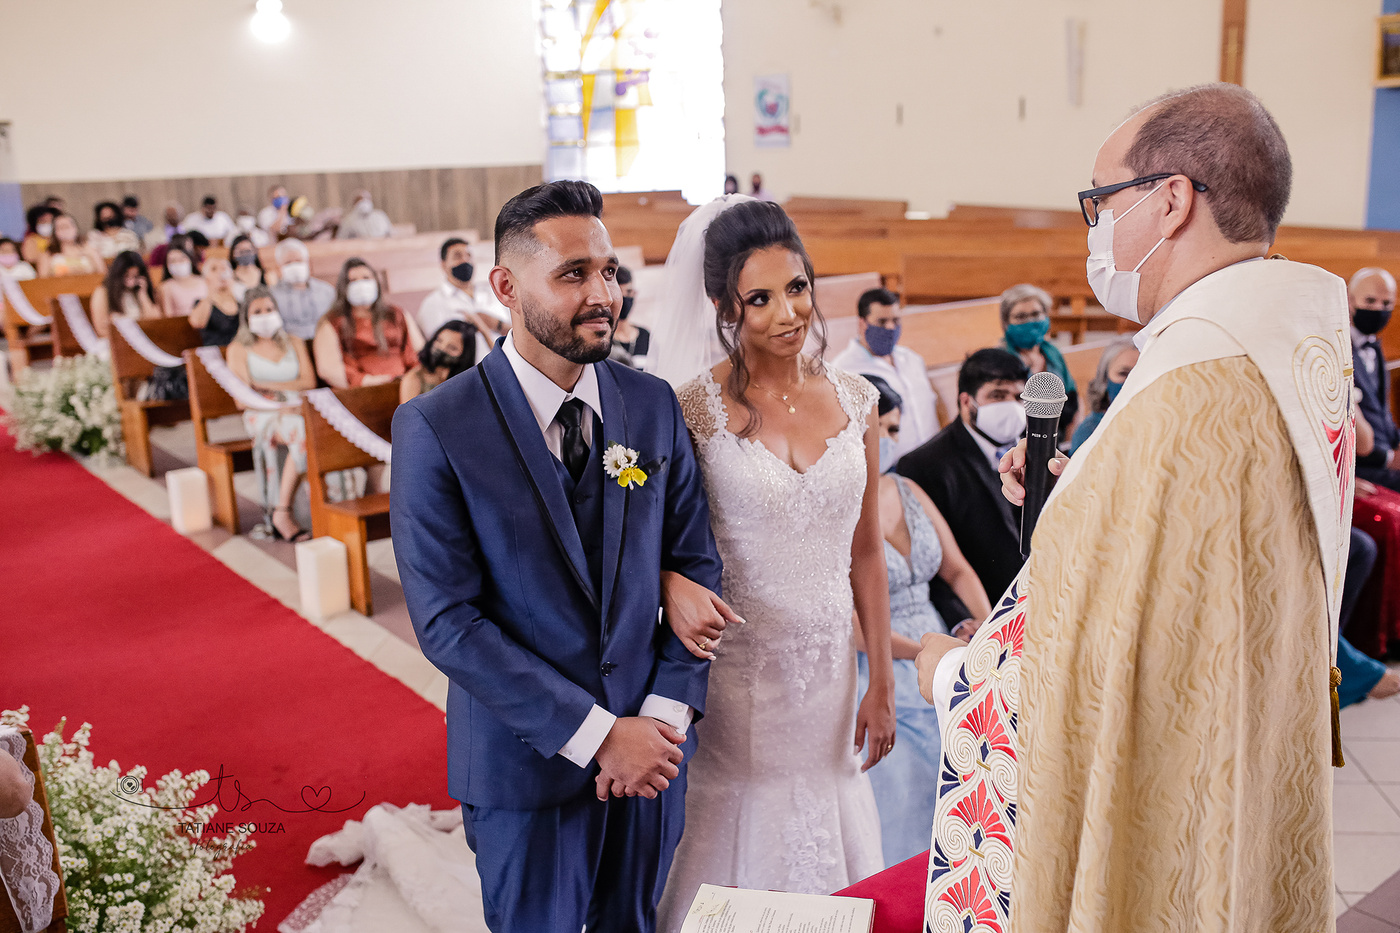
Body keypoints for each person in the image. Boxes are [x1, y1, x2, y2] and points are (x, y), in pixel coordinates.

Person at [919, 83, 1351, 933]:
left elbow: (1075, 670)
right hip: (1244, 748)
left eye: (1102, 201)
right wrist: (1085, 490)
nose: (1096, 230)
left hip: (1170, 810)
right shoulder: (1287, 341)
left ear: (1172, 200)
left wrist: (949, 671)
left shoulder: (1183, 392)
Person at [391, 179, 723, 932]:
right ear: (506, 287)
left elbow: (696, 564)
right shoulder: (437, 427)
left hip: (653, 757)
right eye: (574, 275)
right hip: (525, 768)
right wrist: (602, 737)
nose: (603, 295)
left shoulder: (650, 404)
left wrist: (660, 721)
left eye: (609, 272)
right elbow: (447, 621)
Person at [657, 197, 895, 927]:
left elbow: (866, 552)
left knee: (832, 804)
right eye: (759, 299)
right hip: (741, 670)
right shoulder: (692, 409)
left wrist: (882, 681)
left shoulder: (857, 400)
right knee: (742, 808)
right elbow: (659, 544)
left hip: (831, 669)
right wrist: (669, 585)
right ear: (723, 307)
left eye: (797, 287)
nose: (788, 313)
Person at [856, 374, 991, 867]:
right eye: (879, 431)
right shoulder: (838, 506)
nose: (889, 441)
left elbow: (956, 569)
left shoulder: (907, 487)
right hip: (879, 658)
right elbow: (850, 624)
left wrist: (987, 629)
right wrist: (929, 651)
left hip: (942, 650)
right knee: (912, 800)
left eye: (894, 430)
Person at [896, 348, 1028, 602]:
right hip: (986, 603)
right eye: (998, 395)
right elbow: (931, 563)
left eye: (1018, 397)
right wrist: (963, 619)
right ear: (967, 401)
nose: (1012, 406)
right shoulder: (925, 465)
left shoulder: (1035, 447)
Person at [226, 286, 316, 542]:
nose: (265, 315)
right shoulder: (238, 349)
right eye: (258, 311)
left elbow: (308, 382)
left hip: (295, 407)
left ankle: (323, 505)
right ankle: (282, 511)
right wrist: (279, 403)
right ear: (247, 318)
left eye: (269, 309)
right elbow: (242, 399)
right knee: (302, 432)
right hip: (261, 412)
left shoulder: (294, 342)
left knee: (310, 427)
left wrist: (266, 385)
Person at [832, 288, 939, 457]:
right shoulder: (843, 370)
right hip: (890, 464)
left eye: (895, 320)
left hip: (932, 457)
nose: (890, 327)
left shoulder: (911, 359)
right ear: (862, 323)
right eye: (882, 322)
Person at [312, 258, 422, 387]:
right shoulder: (332, 323)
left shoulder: (397, 314)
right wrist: (369, 382)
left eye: (366, 278)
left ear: (376, 282)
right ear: (343, 288)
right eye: (353, 280)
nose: (361, 284)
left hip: (407, 384)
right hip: (362, 389)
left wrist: (411, 379)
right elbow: (328, 368)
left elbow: (419, 352)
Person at [998, 283, 1079, 435]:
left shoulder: (1052, 352)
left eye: (1036, 314)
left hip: (1059, 436)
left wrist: (1072, 442)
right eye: (1021, 317)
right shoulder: (999, 360)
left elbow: (1073, 399)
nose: (1030, 321)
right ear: (1006, 323)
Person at [415, 236, 509, 359]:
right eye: (457, 256)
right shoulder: (433, 304)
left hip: (508, 363)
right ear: (443, 265)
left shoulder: (494, 292)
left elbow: (519, 334)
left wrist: (498, 324)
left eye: (468, 255)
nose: (465, 260)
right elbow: (438, 352)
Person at [1350, 267, 1400, 491]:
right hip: (1363, 467)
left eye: (1386, 303)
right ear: (1350, 300)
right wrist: (1388, 458)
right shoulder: (1337, 350)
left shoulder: (1374, 346)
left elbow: (1383, 414)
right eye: (1370, 301)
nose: (1379, 309)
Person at [1068, 335, 1139, 454]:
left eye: (1139, 373)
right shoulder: (1090, 431)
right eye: (1123, 373)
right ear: (1105, 379)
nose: (1131, 380)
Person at [269, 238, 335, 340]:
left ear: (308, 263)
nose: (294, 266)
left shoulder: (327, 291)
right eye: (288, 262)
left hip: (324, 341)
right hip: (289, 343)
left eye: (298, 261)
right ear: (279, 268)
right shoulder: (272, 295)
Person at [399, 320, 474, 403]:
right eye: (439, 341)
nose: (442, 348)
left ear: (465, 354)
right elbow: (409, 410)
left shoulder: (466, 382)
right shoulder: (414, 378)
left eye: (452, 347)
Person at [90, 250, 160, 338]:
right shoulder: (102, 293)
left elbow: (155, 322)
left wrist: (143, 295)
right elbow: (101, 330)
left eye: (135, 276)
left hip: (142, 339)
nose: (131, 282)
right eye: (127, 276)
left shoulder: (140, 290)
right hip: (116, 341)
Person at [188, 255, 242, 346]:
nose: (220, 273)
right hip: (215, 351)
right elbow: (197, 323)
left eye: (224, 268)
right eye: (214, 269)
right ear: (206, 278)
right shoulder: (202, 302)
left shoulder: (240, 301)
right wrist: (211, 291)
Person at [607, 266, 650, 369]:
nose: (625, 299)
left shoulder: (645, 336)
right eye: (619, 294)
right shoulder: (604, 339)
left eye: (629, 292)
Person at [38, 213, 104, 277]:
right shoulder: (48, 254)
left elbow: (102, 273)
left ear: (76, 228)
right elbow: (42, 279)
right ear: (55, 232)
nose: (65, 230)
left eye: (67, 226)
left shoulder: (89, 249)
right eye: (60, 227)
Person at [158, 236, 208, 318]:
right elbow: (168, 318)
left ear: (190, 260)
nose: (177, 263)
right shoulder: (166, 287)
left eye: (181, 259)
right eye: (173, 261)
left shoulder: (204, 281)